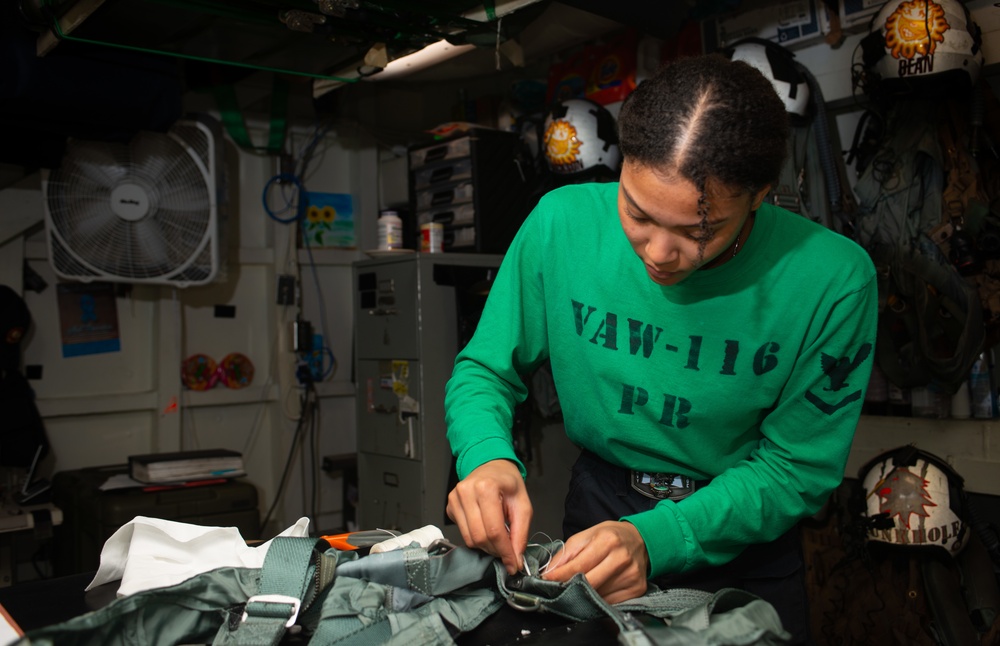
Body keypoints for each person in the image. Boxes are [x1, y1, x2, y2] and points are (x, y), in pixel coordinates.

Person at [444, 53, 878, 644]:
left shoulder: (833, 278)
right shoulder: (560, 224)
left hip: (742, 532)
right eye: (637, 213)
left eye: (699, 231)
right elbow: (485, 370)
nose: (657, 253)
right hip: (600, 506)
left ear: (758, 196)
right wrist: (486, 456)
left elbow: (795, 468)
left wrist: (656, 539)